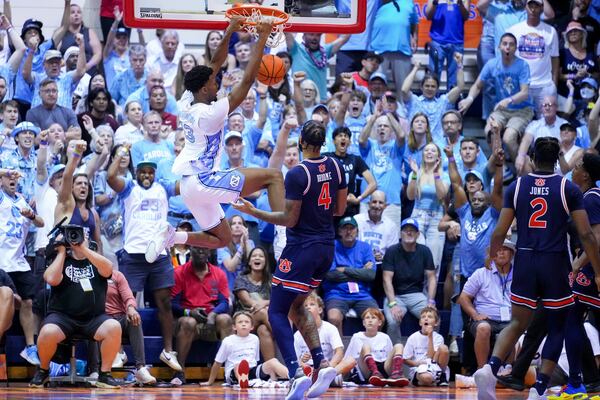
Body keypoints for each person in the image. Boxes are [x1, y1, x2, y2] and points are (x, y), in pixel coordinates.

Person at [145, 18, 285, 262]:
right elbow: (248, 81)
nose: (216, 83)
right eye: (212, 83)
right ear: (203, 89)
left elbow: (213, 63)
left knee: (222, 239)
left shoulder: (186, 100)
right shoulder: (209, 113)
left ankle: (172, 237)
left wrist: (230, 30)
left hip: (190, 187)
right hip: (204, 181)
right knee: (273, 176)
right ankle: (283, 236)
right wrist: (262, 37)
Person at [474, 137, 600, 400]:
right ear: (557, 160)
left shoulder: (518, 186)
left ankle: (491, 367)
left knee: (518, 322)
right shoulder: (568, 187)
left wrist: (491, 255)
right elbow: (587, 235)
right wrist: (598, 270)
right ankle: (540, 388)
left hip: (526, 259)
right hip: (555, 260)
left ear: (531, 158)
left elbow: (500, 230)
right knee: (557, 325)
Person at [232, 119, 348, 399]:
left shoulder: (298, 174)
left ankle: (296, 372)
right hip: (326, 248)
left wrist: (253, 211)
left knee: (276, 311)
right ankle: (320, 362)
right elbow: (340, 209)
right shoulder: (337, 167)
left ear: (302, 142)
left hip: (301, 249)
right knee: (298, 306)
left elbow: (288, 218)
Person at [106, 154, 182, 373]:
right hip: (134, 254)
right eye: (143, 172)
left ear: (154, 174)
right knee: (122, 303)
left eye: (150, 172)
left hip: (159, 254)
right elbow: (111, 177)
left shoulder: (163, 188)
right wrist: (120, 154)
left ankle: (168, 351)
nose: (147, 176)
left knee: (165, 302)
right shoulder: (130, 188)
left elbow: (185, 187)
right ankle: (119, 350)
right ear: (136, 173)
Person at [29, 233, 121, 389]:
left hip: (93, 318)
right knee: (47, 332)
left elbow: (108, 269)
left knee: (114, 327)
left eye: (81, 235)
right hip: (62, 317)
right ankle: (43, 370)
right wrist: (62, 252)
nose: (76, 239)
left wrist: (83, 249)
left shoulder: (95, 261)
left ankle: (105, 375)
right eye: (71, 236)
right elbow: (50, 279)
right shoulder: (62, 261)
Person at [458, 32, 534, 162]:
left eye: (511, 44)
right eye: (504, 44)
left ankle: (519, 168)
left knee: (508, 138)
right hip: (502, 110)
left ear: (515, 48)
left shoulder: (523, 65)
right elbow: (477, 85)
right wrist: (469, 99)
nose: (507, 47)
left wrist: (508, 100)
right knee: (489, 131)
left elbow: (525, 93)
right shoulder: (492, 64)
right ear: (499, 47)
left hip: (522, 109)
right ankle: (501, 166)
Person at [561, 153, 600, 397]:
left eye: (576, 166)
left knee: (571, 320)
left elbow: (596, 237)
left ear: (585, 174)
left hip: (592, 269)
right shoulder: (585, 197)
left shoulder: (592, 199)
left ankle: (577, 382)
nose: (572, 170)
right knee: (572, 320)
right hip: (590, 268)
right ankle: (583, 380)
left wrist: (579, 264)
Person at [0, 167, 44, 365]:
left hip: (19, 261)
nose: (12, 180)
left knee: (28, 302)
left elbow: (41, 223)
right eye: (8, 178)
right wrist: (6, 170)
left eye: (14, 178)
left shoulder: (22, 200)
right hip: (2, 260)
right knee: (8, 301)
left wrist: (31, 216)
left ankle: (30, 347)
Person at [171, 246, 232, 385]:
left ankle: (232, 371)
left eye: (204, 248)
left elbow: (224, 302)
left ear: (209, 251)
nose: (201, 251)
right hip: (187, 322)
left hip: (210, 320)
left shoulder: (218, 273)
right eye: (197, 248)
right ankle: (179, 371)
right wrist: (189, 312)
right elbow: (172, 304)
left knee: (226, 319)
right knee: (189, 322)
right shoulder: (179, 272)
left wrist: (213, 314)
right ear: (190, 251)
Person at [457, 240, 515, 369]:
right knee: (483, 328)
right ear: (492, 254)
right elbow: (463, 297)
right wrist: (475, 314)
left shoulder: (520, 275)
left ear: (511, 254)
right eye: (497, 250)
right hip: (486, 319)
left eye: (505, 249)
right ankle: (482, 369)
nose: (500, 252)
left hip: (511, 320)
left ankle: (509, 370)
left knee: (518, 329)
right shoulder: (481, 273)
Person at [382, 218, 437, 345]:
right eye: (406, 230)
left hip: (416, 295)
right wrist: (392, 304)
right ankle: (396, 353)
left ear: (418, 235)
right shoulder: (392, 251)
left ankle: (427, 351)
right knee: (392, 321)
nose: (409, 233)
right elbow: (386, 279)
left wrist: (431, 301)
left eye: (412, 231)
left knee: (433, 318)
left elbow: (432, 277)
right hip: (395, 295)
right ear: (400, 234)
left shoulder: (424, 251)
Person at [201, 311, 289, 388]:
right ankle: (242, 381)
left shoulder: (255, 339)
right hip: (234, 373)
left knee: (273, 361)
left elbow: (255, 360)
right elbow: (217, 363)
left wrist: (270, 372)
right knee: (238, 365)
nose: (243, 324)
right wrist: (210, 381)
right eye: (240, 322)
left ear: (251, 327)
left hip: (252, 370)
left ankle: (293, 377)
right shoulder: (228, 341)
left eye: (246, 322)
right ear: (234, 327)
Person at [322, 216, 378, 336]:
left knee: (376, 318)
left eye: (351, 228)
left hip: (362, 294)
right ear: (339, 231)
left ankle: (367, 350)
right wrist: (360, 271)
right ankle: (339, 351)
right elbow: (330, 275)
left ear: (357, 231)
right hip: (337, 293)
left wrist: (345, 270)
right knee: (334, 318)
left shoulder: (365, 247)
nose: (348, 231)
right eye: (345, 228)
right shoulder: (331, 246)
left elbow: (371, 275)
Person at [506, 0, 559, 114]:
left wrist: (554, 84)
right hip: (522, 87)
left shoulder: (551, 31)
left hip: (545, 86)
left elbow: (555, 58)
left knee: (547, 122)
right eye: (531, 6)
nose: (533, 9)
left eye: (537, 6)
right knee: (520, 122)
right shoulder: (513, 30)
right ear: (526, 7)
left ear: (542, 8)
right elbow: (507, 57)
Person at [104, 269, 156, 385]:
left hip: (120, 318)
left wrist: (131, 308)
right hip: (101, 320)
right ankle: (99, 369)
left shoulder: (117, 275)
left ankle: (141, 368)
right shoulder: (89, 276)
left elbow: (128, 296)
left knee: (134, 319)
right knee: (104, 322)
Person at [344, 307, 408, 387]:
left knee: (399, 345)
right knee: (365, 345)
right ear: (363, 323)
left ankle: (396, 374)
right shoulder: (357, 336)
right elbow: (348, 358)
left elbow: (389, 358)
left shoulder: (385, 337)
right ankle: (375, 373)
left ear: (380, 322)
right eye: (367, 318)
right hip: (365, 369)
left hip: (382, 367)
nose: (370, 320)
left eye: (373, 318)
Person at [233, 246, 276, 360]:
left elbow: (277, 300)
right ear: (249, 261)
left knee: (263, 330)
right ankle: (285, 338)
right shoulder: (241, 278)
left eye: (261, 256)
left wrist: (264, 303)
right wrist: (264, 305)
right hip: (244, 316)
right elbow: (247, 301)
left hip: (265, 318)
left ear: (265, 261)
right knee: (262, 312)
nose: (257, 258)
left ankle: (272, 373)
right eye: (254, 256)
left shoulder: (271, 280)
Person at [425, 0, 470, 88]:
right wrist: (435, 3)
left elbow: (466, 16)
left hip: (457, 42)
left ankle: (451, 102)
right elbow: (428, 16)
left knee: (454, 81)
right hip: (437, 42)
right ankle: (432, 101)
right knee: (433, 78)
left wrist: (460, 3)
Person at [403, 307, 450, 386]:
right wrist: (417, 363)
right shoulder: (413, 337)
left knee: (444, 348)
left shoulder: (438, 337)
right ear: (420, 322)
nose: (426, 319)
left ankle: (442, 376)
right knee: (426, 378)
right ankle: (424, 381)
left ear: (436, 323)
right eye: (423, 317)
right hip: (419, 368)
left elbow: (431, 358)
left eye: (430, 317)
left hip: (435, 367)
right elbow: (405, 359)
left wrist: (430, 336)